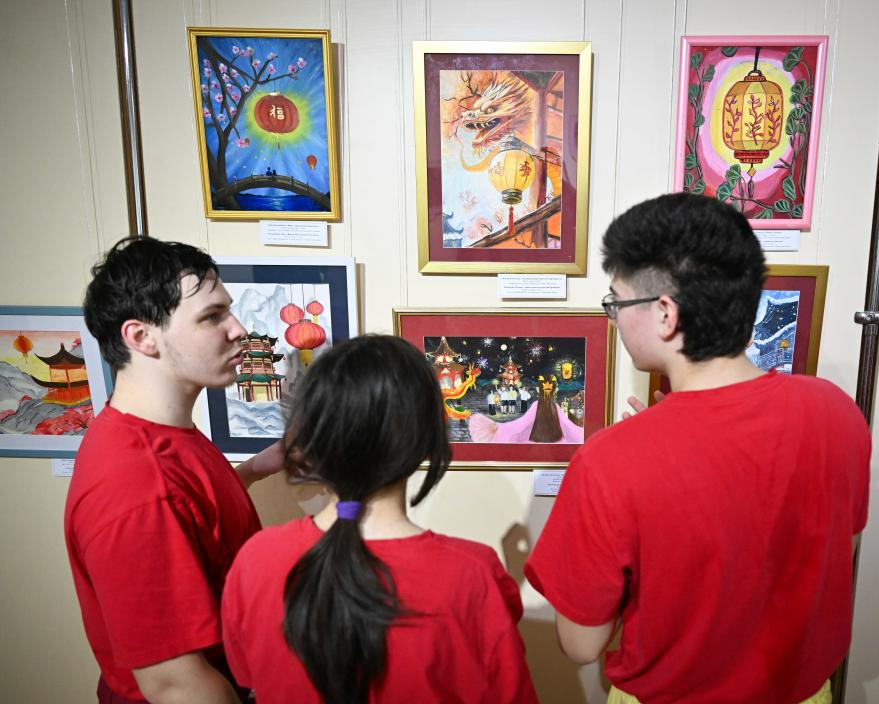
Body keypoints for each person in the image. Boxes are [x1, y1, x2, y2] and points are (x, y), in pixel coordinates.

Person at [524, 193, 870, 704]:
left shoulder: (609, 461)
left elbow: (581, 645)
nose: (614, 319)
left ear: (665, 314)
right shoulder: (836, 411)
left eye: (616, 303)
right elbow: (837, 551)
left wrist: (644, 452)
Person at [221, 335, 538, 704]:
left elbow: (247, 673)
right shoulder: (473, 575)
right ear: (425, 440)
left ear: (312, 441)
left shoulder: (255, 558)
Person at [64, 237, 284, 704]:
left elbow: (192, 520)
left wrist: (256, 468)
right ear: (142, 337)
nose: (238, 329)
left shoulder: (158, 434)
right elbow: (175, 684)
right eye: (212, 316)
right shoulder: (136, 484)